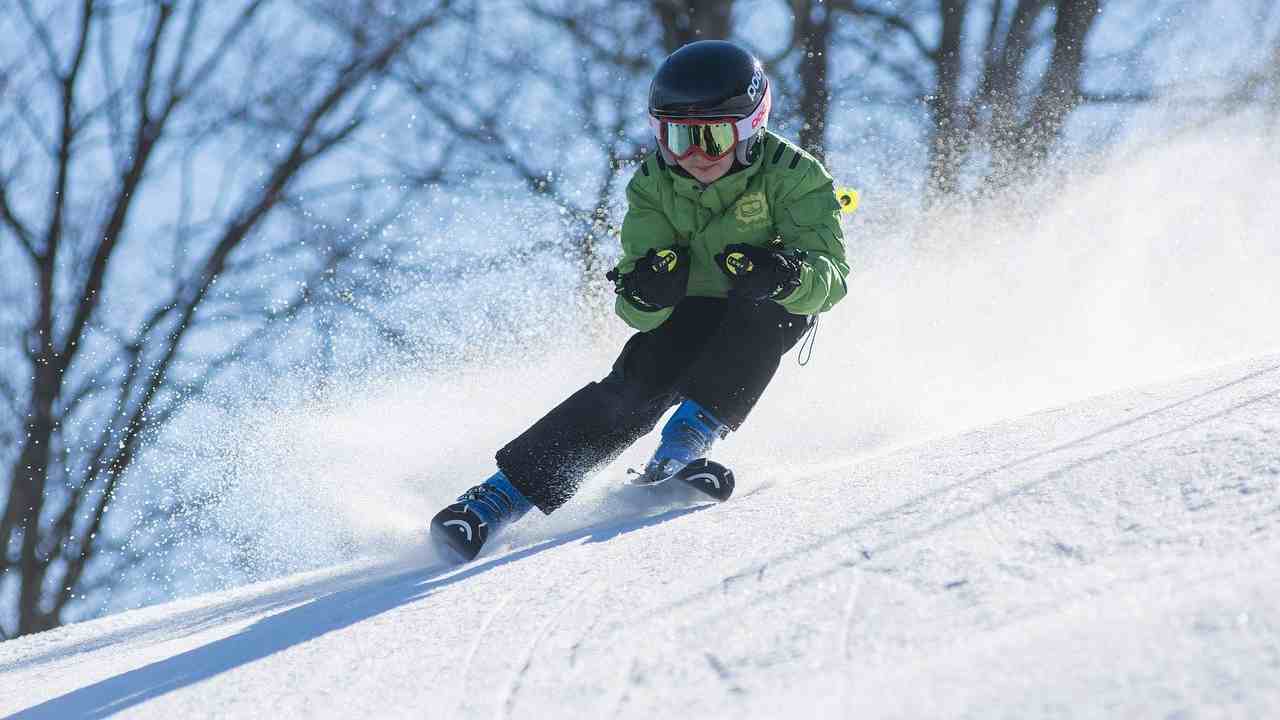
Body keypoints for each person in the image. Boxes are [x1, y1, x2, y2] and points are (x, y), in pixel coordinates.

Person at [429, 40, 850, 562]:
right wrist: (648, 291)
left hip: (763, 304)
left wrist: (786, 275)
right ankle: (497, 499)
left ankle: (683, 446)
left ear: (749, 129)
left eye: (712, 137)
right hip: (691, 308)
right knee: (638, 380)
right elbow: (634, 308)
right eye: (676, 136)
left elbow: (831, 279)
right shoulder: (653, 184)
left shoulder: (795, 174)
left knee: (769, 314)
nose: (692, 156)